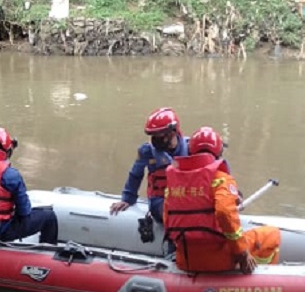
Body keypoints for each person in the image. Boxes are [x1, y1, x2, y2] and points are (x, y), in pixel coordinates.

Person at [163, 127, 280, 274]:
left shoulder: (173, 184)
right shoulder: (221, 179)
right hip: (219, 259)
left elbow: (167, 219)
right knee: (273, 234)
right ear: (218, 152)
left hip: (185, 260)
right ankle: (261, 279)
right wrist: (242, 251)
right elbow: (224, 212)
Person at [110, 107, 188, 224]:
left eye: (159, 135)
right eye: (153, 135)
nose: (155, 139)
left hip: (186, 197)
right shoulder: (147, 151)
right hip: (160, 201)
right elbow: (135, 174)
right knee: (174, 213)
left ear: (172, 132)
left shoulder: (190, 148)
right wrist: (127, 199)